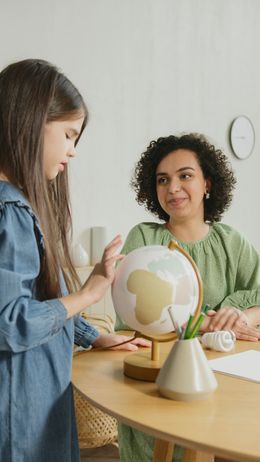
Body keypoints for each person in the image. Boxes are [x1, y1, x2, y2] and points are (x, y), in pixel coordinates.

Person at [0, 58, 150, 462]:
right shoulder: (10, 212)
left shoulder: (19, 207)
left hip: (33, 406)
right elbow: (9, 324)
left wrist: (92, 334)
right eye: (68, 135)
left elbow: (41, 298)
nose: (72, 152)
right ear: (30, 120)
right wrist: (87, 295)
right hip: (20, 417)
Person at [115, 133, 260, 462]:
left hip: (226, 387)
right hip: (159, 386)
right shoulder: (144, 239)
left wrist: (243, 316)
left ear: (207, 183)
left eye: (185, 176)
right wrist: (207, 323)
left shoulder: (231, 242)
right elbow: (131, 322)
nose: (173, 188)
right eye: (162, 179)